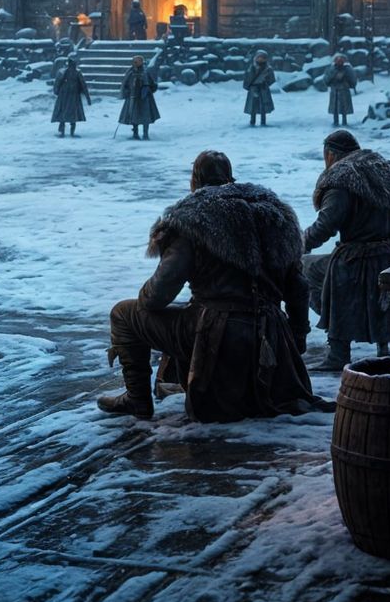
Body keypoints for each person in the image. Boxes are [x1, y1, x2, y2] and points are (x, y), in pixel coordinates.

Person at [97, 150, 323, 422]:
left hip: (217, 331)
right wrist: (296, 338)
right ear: (230, 178)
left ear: (194, 181)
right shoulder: (275, 215)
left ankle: (137, 400)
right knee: (191, 310)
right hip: (272, 332)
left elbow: (157, 295)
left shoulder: (192, 218)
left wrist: (147, 302)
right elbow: (297, 288)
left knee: (123, 313)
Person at [301, 131, 390, 371]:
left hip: (355, 260)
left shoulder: (342, 179)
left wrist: (298, 244)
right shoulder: (388, 170)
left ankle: (338, 350)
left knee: (309, 268)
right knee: (337, 266)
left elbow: (326, 225)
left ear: (330, 154)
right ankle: (382, 345)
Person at [118, 57, 159, 140]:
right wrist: (127, 92)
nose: (135, 63)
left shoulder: (146, 72)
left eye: (137, 62)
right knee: (134, 116)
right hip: (133, 98)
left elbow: (152, 85)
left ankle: (145, 134)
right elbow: (125, 84)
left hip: (145, 99)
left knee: (146, 117)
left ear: (141, 62)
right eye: (134, 62)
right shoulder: (130, 72)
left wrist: (147, 90)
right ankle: (135, 134)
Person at [51, 53, 90, 138]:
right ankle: (67, 132)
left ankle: (64, 132)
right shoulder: (69, 72)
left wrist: (56, 91)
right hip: (70, 96)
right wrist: (87, 98)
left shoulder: (65, 72)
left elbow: (57, 84)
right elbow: (83, 85)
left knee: (65, 114)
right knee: (70, 115)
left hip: (68, 96)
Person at [242, 50, 276, 128]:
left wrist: (265, 83)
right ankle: (252, 121)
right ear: (256, 58)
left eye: (263, 58)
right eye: (259, 57)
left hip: (263, 88)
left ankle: (263, 121)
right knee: (253, 106)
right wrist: (249, 86)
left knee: (263, 106)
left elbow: (272, 79)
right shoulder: (252, 67)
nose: (261, 59)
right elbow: (247, 77)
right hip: (253, 88)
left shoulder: (268, 68)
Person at [326, 54, 357, 127]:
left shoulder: (348, 69)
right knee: (335, 108)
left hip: (344, 91)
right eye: (338, 60)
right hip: (335, 91)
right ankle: (335, 121)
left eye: (341, 60)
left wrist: (349, 83)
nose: (339, 62)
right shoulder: (331, 69)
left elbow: (353, 80)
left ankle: (344, 121)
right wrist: (332, 76)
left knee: (344, 108)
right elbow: (326, 79)